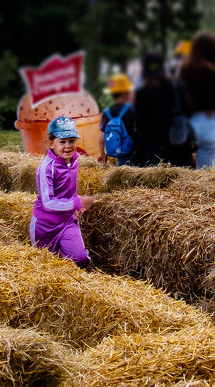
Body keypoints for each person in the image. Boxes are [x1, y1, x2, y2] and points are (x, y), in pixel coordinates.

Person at [32, 116, 94, 268]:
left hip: (67, 221)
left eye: (71, 141)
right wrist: (76, 203)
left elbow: (69, 190)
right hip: (45, 226)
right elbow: (48, 202)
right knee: (45, 266)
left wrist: (76, 201)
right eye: (62, 142)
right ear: (52, 144)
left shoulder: (74, 161)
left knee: (80, 260)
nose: (68, 146)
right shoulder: (46, 168)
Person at [179, 32, 215, 169]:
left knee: (183, 172)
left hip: (187, 124)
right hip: (208, 122)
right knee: (205, 176)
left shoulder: (184, 71)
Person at [133, 52, 191, 167]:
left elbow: (139, 126)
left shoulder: (141, 93)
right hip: (177, 144)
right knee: (181, 182)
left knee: (154, 183)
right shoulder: (176, 86)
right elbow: (189, 111)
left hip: (152, 149)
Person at [99, 74, 139, 166]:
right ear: (125, 93)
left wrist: (102, 155)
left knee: (122, 176)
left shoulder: (107, 112)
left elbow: (101, 138)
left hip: (119, 154)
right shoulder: (132, 109)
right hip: (134, 152)